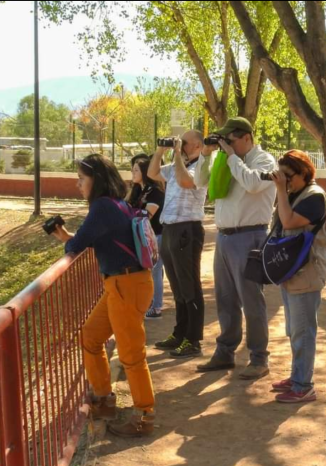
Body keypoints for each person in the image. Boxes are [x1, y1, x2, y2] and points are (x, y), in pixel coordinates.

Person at [51, 153, 155, 438]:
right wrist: (67, 238)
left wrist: (66, 239)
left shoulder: (102, 207)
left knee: (131, 353)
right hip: (121, 283)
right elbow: (85, 240)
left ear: (96, 180)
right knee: (91, 336)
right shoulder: (115, 205)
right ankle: (105, 400)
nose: (78, 184)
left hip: (126, 283)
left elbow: (78, 244)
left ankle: (144, 414)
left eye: (81, 179)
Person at [194, 117, 277, 380]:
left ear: (247, 138)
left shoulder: (264, 161)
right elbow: (200, 181)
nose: (226, 146)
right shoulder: (226, 161)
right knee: (226, 299)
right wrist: (206, 155)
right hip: (226, 237)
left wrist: (231, 157)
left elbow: (253, 184)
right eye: (223, 141)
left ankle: (259, 357)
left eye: (230, 140)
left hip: (249, 236)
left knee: (251, 300)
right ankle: (225, 351)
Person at [267, 150, 326, 403]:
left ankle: (304, 386)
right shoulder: (295, 193)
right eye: (281, 175)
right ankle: (296, 377)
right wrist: (283, 189)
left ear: (304, 173)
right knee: (294, 330)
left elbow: (289, 221)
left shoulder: (314, 197)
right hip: (292, 271)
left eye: (288, 176)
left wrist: (281, 190)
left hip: (307, 272)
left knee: (303, 332)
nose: (284, 180)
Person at [148, 131, 208, 359]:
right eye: (179, 142)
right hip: (170, 228)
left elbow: (185, 181)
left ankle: (193, 340)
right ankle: (180, 333)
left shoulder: (200, 167)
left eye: (184, 143)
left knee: (189, 284)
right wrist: (160, 151)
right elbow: (152, 172)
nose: (180, 145)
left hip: (187, 229)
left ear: (197, 146)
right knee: (177, 286)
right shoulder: (176, 165)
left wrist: (175, 155)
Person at [127, 154, 165, 319]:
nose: (132, 173)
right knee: (149, 272)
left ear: (144, 171)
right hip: (143, 239)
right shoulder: (137, 191)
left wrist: (130, 215)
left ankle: (156, 307)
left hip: (156, 237)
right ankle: (149, 303)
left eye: (136, 170)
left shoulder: (155, 192)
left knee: (155, 272)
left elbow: (145, 216)